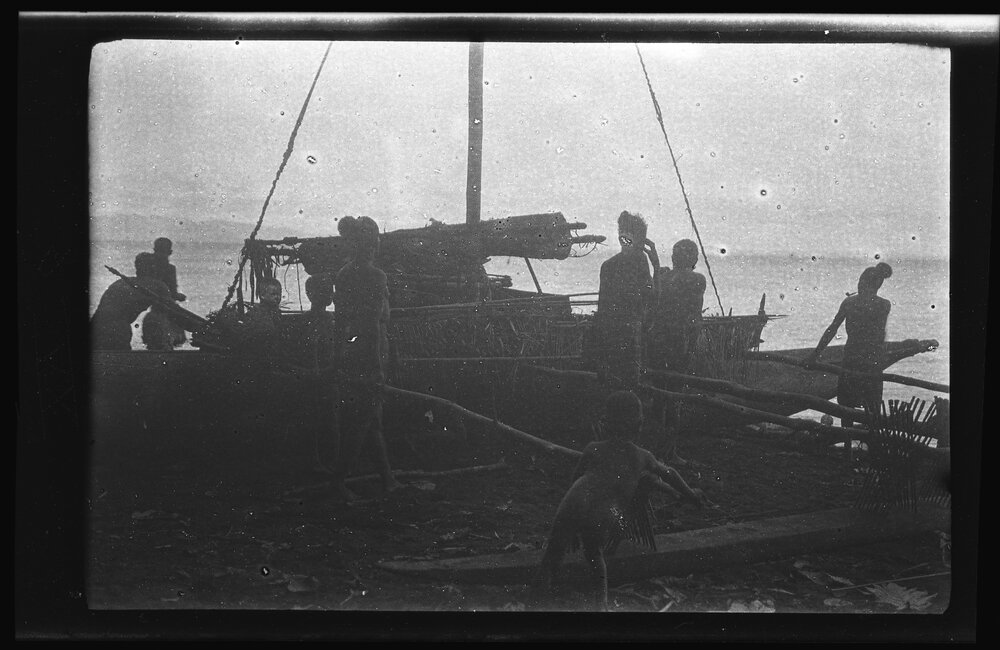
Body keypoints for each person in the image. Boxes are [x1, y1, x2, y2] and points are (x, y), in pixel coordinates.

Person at [535, 391, 704, 611]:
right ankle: (601, 606)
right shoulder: (642, 456)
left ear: (606, 423)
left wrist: (572, 527)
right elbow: (670, 473)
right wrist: (691, 494)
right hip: (602, 510)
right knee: (594, 555)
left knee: (551, 557)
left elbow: (575, 479)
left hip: (575, 498)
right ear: (639, 425)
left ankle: (536, 603)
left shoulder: (593, 447)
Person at [330, 216, 403, 501]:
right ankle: (337, 482)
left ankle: (388, 480)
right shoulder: (375, 276)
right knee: (362, 421)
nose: (376, 246)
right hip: (368, 356)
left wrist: (337, 359)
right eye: (374, 242)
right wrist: (377, 368)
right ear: (369, 245)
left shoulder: (344, 274)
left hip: (352, 353)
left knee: (371, 421)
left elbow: (340, 323)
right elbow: (372, 325)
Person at [805, 262, 893, 427]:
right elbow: (879, 336)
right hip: (872, 361)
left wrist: (814, 355)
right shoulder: (883, 305)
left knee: (846, 409)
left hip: (852, 357)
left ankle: (847, 441)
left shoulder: (849, 303)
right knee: (872, 409)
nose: (859, 285)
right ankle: (870, 441)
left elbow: (832, 329)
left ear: (863, 283)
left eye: (861, 282)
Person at [644, 239, 708, 464]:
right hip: (678, 344)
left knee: (658, 397)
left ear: (674, 257)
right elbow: (694, 318)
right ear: (694, 258)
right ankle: (668, 452)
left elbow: (652, 306)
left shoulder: (663, 276)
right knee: (674, 398)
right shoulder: (696, 280)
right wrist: (692, 347)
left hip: (657, 342)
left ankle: (654, 449)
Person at [589, 211, 659, 390]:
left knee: (612, 384)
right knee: (630, 383)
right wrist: (656, 266)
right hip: (630, 332)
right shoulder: (640, 260)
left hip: (610, 333)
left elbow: (602, 307)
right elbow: (652, 298)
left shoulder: (608, 265)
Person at [91, 252, 173, 351]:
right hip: (117, 330)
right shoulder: (158, 286)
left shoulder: (119, 283)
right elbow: (173, 312)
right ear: (154, 268)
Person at [142, 237, 189, 350]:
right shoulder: (170, 269)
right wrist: (180, 297)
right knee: (167, 344)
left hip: (155, 311)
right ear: (170, 252)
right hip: (168, 313)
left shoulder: (149, 268)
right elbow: (172, 293)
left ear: (154, 250)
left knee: (155, 345)